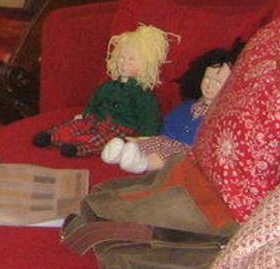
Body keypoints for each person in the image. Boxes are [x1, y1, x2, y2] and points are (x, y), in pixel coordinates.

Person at [100, 40, 245, 173]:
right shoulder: (188, 105)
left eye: (218, 82)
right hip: (167, 139)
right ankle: (118, 152)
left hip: (186, 150)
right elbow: (169, 122)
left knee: (168, 155)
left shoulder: (219, 115)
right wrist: (147, 140)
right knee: (143, 142)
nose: (210, 85)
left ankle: (142, 163)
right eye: (207, 78)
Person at [32, 24, 172, 157]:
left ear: (145, 64)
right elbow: (95, 100)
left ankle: (78, 148)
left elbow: (150, 119)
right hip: (97, 118)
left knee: (104, 141)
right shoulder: (109, 86)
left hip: (119, 128)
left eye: (131, 60)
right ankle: (52, 136)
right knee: (75, 125)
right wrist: (86, 113)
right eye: (121, 58)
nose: (123, 63)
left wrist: (146, 138)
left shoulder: (143, 95)